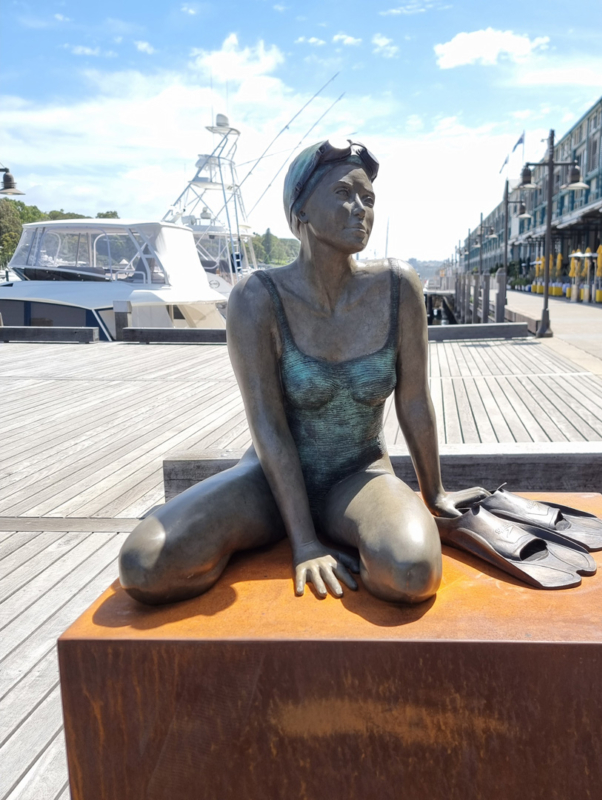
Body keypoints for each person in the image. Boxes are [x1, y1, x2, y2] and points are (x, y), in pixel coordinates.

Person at [119, 140, 486, 606]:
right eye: (343, 193)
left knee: (412, 574)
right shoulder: (257, 297)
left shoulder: (398, 287)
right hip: (266, 484)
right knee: (143, 566)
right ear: (301, 210)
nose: (361, 209)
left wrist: (433, 494)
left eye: (368, 198)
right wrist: (305, 543)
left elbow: (414, 401)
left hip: (358, 476)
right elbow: (268, 425)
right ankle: (214, 528)